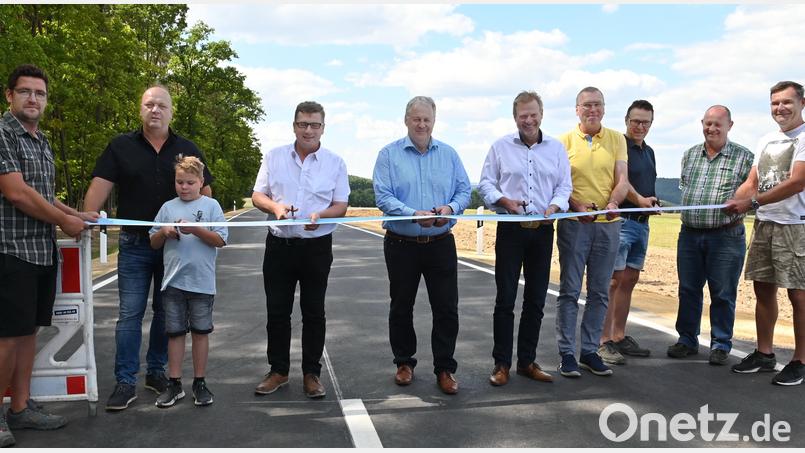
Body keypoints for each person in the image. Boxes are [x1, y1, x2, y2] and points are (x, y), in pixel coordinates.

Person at [83, 85, 215, 411]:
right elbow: (97, 191)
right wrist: (85, 220)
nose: (155, 110)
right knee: (129, 314)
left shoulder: (187, 149)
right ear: (140, 109)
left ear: (171, 112)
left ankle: (157, 373)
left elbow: (207, 197)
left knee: (165, 315)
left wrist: (202, 230)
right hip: (135, 244)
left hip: (177, 251)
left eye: (161, 105)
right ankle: (125, 381)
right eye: (149, 104)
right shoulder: (120, 147)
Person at [0, 64, 89, 447]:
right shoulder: (3, 134)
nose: (33, 98)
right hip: (9, 251)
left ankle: (20, 409)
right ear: (10, 96)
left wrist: (73, 214)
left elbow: (42, 193)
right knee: (5, 338)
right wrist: (63, 222)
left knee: (27, 334)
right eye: (25, 91)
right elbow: (16, 193)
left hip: (40, 252)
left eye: (40, 93)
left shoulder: (41, 140)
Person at [373, 96, 471, 395]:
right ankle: (404, 362)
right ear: (406, 120)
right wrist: (413, 214)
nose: (421, 124)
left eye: (427, 119)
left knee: (446, 308)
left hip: (441, 242)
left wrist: (449, 209)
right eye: (416, 118)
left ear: (434, 121)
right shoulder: (388, 155)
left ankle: (444, 368)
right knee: (401, 306)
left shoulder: (450, 155)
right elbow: (383, 196)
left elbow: (464, 190)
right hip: (401, 243)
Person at [252, 101, 349, 399]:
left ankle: (312, 374)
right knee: (277, 312)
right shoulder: (274, 156)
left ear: (323, 128)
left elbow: (341, 205)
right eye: (303, 124)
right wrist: (275, 207)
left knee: (314, 312)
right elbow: (258, 196)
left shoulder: (335, 162)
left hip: (317, 247)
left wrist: (323, 216)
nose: (308, 130)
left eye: (314, 124)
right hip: (279, 245)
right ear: (294, 125)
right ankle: (278, 371)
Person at [478, 91, 571, 386]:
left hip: (543, 231)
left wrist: (554, 207)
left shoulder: (556, 149)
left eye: (533, 114)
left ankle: (527, 362)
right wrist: (504, 201)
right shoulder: (500, 147)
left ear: (541, 114)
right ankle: (501, 364)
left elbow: (564, 186)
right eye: (522, 116)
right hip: (510, 229)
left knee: (535, 300)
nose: (528, 120)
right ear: (515, 117)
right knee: (505, 299)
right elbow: (486, 184)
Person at [725, 81, 805, 385]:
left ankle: (800, 360)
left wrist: (752, 202)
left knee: (799, 295)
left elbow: (798, 181)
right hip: (765, 223)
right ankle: (764, 353)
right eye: (775, 103)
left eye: (787, 102)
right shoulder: (766, 140)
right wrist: (736, 200)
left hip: (796, 225)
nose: (780, 108)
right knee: (763, 289)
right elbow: (753, 180)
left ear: (802, 103)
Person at [667, 105, 753, 366]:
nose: (712, 129)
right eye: (708, 123)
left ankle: (720, 343)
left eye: (718, 124)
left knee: (723, 292)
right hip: (690, 235)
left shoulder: (744, 157)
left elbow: (750, 193)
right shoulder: (690, 155)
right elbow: (686, 187)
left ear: (730, 125)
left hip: (725, 236)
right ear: (701, 123)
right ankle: (686, 339)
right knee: (689, 289)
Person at [556, 87, 629, 378]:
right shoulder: (562, 142)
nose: (592, 110)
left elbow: (623, 179)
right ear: (576, 109)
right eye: (586, 105)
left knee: (599, 292)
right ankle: (567, 354)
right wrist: (576, 204)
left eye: (597, 105)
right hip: (576, 225)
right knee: (570, 291)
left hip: (608, 226)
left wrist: (614, 202)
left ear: (604, 108)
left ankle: (589, 351)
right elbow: (559, 184)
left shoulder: (616, 139)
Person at [149, 156, 227, 407]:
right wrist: (164, 231)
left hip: (202, 283)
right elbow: (153, 241)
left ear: (201, 182)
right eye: (179, 182)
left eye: (190, 182)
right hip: (173, 282)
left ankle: (200, 382)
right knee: (174, 333)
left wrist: (196, 229)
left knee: (201, 333)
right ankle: (174, 383)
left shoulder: (212, 206)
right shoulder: (167, 208)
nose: (184, 187)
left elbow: (220, 240)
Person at [598, 100, 660, 365]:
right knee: (612, 282)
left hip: (641, 225)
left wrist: (651, 203)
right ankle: (603, 341)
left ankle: (619, 335)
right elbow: (621, 183)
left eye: (646, 122)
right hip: (621, 221)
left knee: (630, 280)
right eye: (636, 121)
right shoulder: (618, 146)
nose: (640, 126)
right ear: (626, 120)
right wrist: (640, 200)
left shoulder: (649, 151)